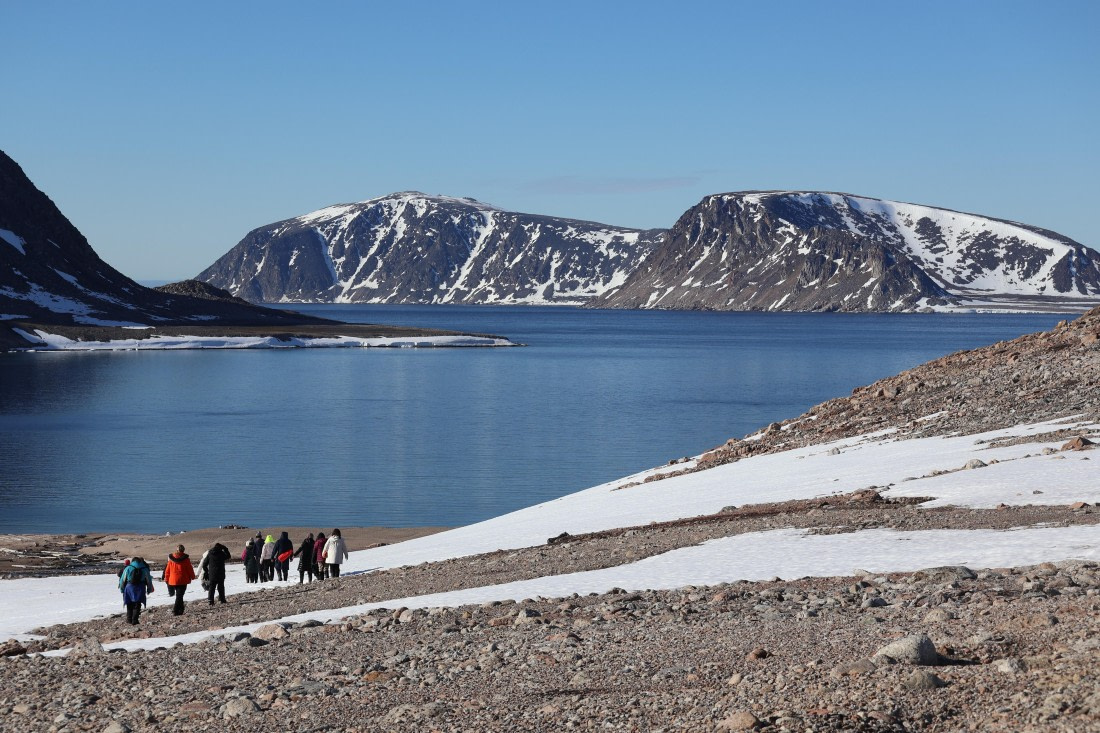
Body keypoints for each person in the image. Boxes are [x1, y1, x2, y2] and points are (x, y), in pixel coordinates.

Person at [162, 544, 196, 616]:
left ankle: (181, 610)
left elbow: (167, 570)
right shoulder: (186, 559)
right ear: (183, 550)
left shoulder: (171, 559)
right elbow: (190, 569)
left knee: (179, 595)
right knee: (179, 595)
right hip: (183, 580)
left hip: (173, 580)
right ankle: (176, 610)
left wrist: (166, 578)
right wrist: (193, 576)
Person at [118, 556, 153, 624]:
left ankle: (129, 619)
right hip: (140, 587)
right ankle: (135, 620)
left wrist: (122, 589)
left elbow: (122, 580)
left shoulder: (128, 568)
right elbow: (149, 580)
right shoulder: (144, 568)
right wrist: (149, 589)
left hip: (129, 587)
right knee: (137, 604)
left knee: (129, 603)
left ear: (133, 561)